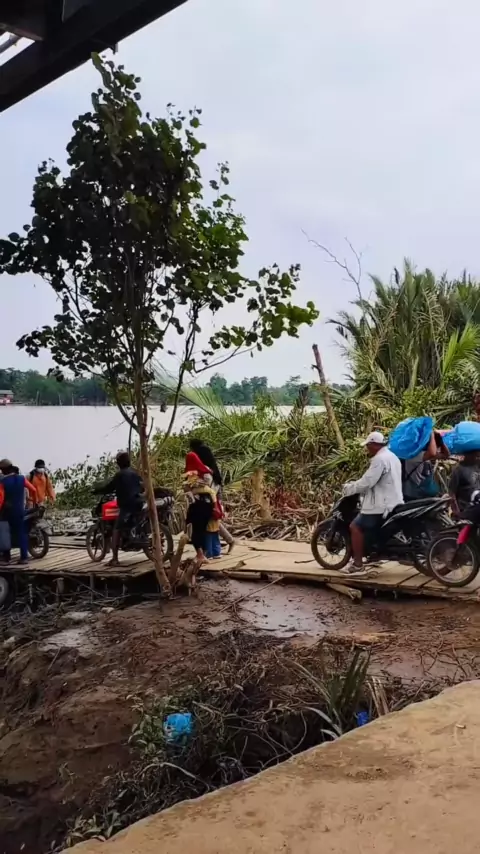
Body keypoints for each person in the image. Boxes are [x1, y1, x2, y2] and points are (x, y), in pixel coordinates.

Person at [342, 431, 403, 574]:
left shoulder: (379, 459)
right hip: (394, 501)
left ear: (375, 445)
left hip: (381, 505)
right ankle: (374, 556)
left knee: (355, 526)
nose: (367, 448)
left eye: (368, 445)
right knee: (374, 530)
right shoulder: (392, 456)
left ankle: (357, 564)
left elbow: (367, 482)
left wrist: (349, 488)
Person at [93, 451, 144, 567]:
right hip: (139, 503)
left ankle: (115, 559)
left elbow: (109, 488)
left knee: (117, 529)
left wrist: (97, 491)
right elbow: (141, 486)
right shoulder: (135, 474)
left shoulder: (120, 475)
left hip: (127, 505)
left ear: (118, 463)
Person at [188, 438, 235, 552]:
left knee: (209, 523)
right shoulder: (213, 468)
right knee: (213, 522)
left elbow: (204, 487)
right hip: (214, 498)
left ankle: (208, 550)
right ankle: (228, 541)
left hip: (207, 499)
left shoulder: (204, 470)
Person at [0, 460, 37, 565]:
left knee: (5, 533)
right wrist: (34, 502)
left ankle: (6, 558)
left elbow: (1, 499)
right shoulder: (22, 478)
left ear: (4, 470)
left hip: (7, 512)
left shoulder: (3, 482)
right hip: (20, 511)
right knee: (22, 533)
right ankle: (24, 558)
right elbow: (33, 490)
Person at [403, 430, 448, 501]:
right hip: (415, 496)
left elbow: (446, 455)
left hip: (424, 495)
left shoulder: (424, 455)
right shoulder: (414, 455)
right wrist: (431, 435)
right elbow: (432, 453)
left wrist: (441, 441)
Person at [448, 451, 480, 516]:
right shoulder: (458, 470)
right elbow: (452, 492)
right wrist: (456, 511)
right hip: (465, 509)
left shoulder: (477, 465)